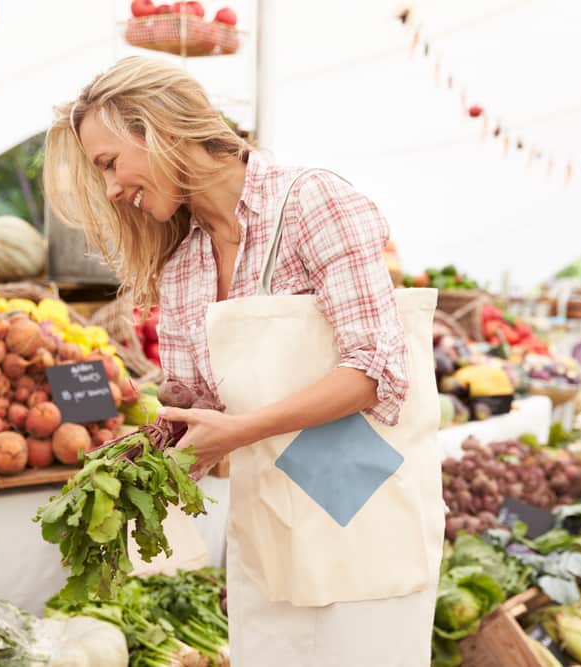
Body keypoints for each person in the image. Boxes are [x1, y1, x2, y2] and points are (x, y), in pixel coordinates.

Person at [43, 56, 442, 666]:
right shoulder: (184, 265)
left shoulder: (313, 202)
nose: (112, 190)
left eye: (109, 163)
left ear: (158, 130)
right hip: (272, 524)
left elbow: (374, 371)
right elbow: (195, 408)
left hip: (362, 509)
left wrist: (238, 432)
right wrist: (125, 464)